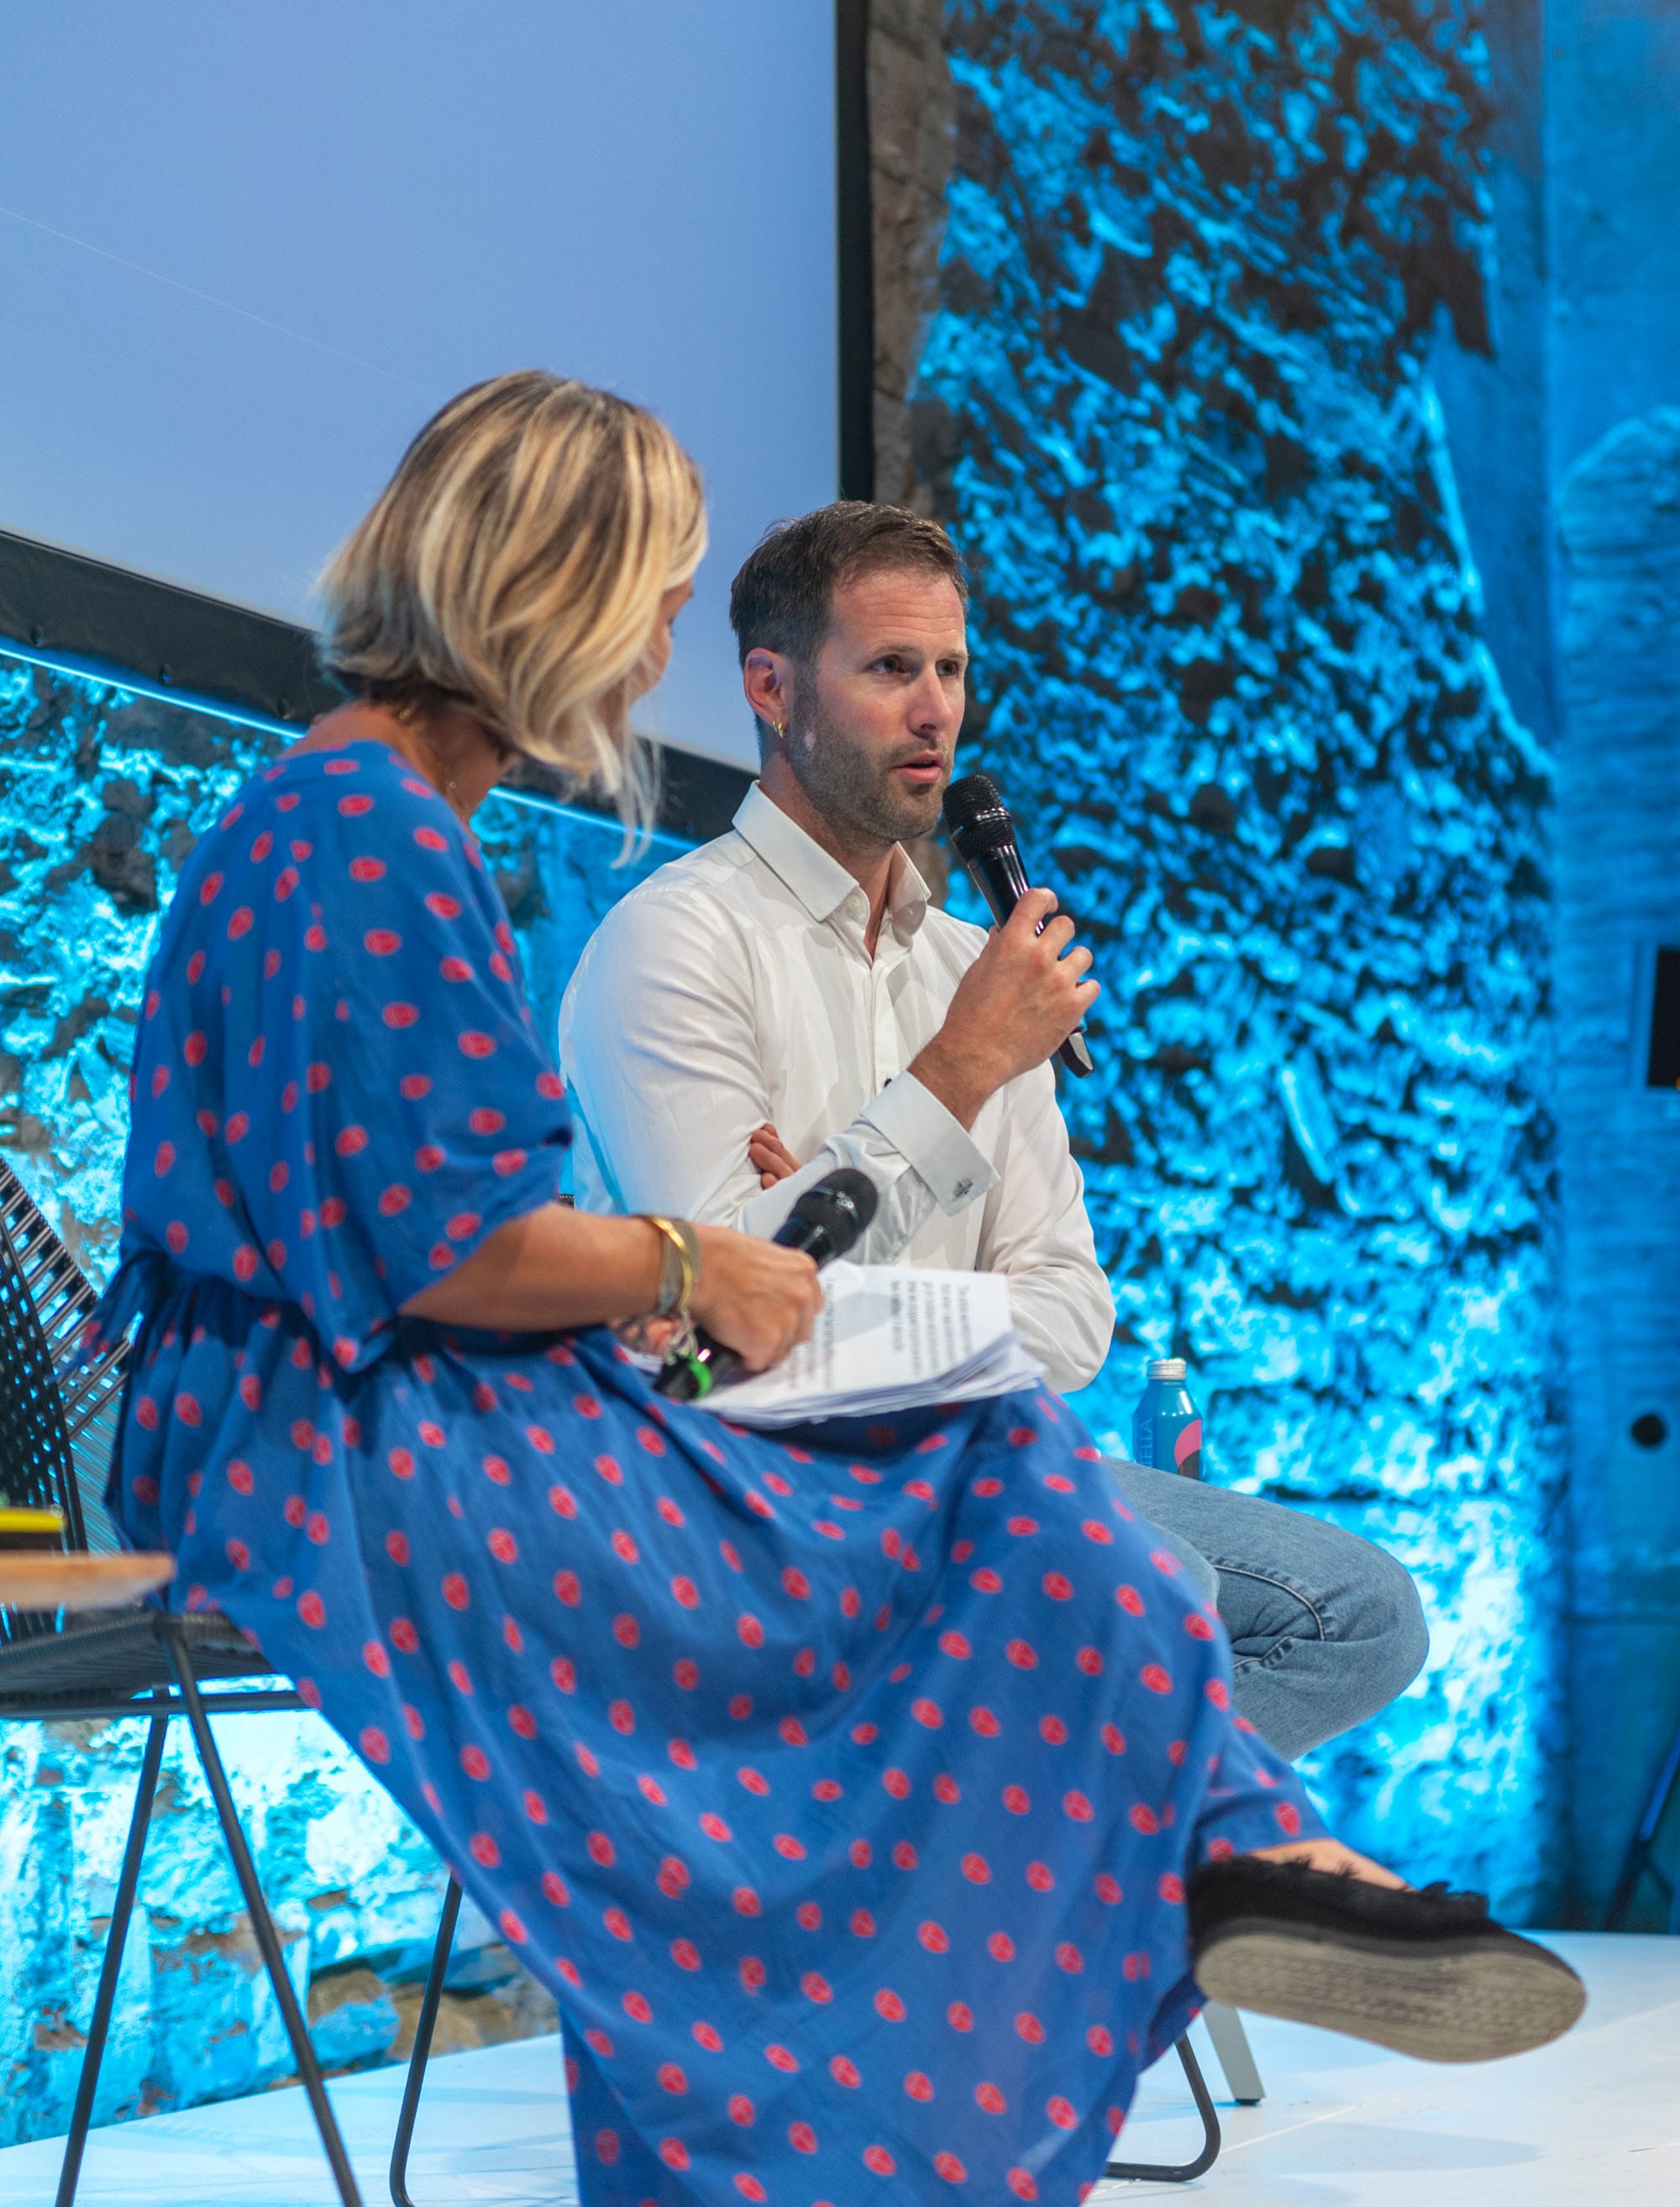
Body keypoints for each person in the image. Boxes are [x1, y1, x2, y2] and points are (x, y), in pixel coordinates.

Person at [92, 379, 1579, 2207]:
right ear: (553, 587)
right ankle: (1139, 1867)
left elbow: (1050, 1302)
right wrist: (686, 1261)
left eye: (951, 669)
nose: (650, 653)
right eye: (651, 600)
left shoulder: (363, 816)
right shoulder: (401, 844)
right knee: (982, 1507)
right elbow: (459, 1250)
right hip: (325, 1447)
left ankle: (1173, 1859)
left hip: (387, 1402)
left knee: (1006, 1477)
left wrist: (720, 1277)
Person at [559, 502, 1428, 1765]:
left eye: (952, 670)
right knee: (1159, 1588)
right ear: (770, 687)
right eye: (890, 668)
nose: (936, 713)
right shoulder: (677, 941)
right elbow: (724, 1331)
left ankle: (1072, 1854)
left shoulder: (974, 962)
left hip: (968, 1447)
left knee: (1365, 1615)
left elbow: (1071, 1317)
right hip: (742, 1470)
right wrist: (956, 1075)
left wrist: (839, 1254)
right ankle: (1075, 1866)